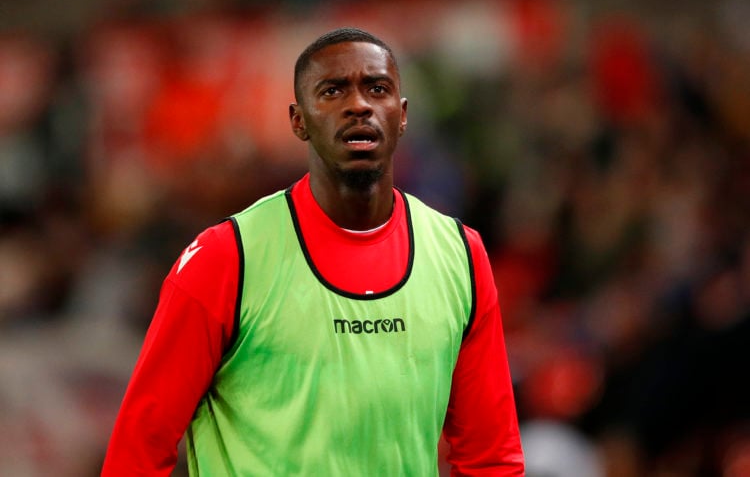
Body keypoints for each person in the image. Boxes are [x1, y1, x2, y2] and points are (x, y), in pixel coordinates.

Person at [101, 27, 524, 476]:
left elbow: (491, 459)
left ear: (401, 116)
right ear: (298, 120)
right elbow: (137, 452)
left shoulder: (460, 254)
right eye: (332, 90)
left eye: (376, 89)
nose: (359, 105)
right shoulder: (226, 257)